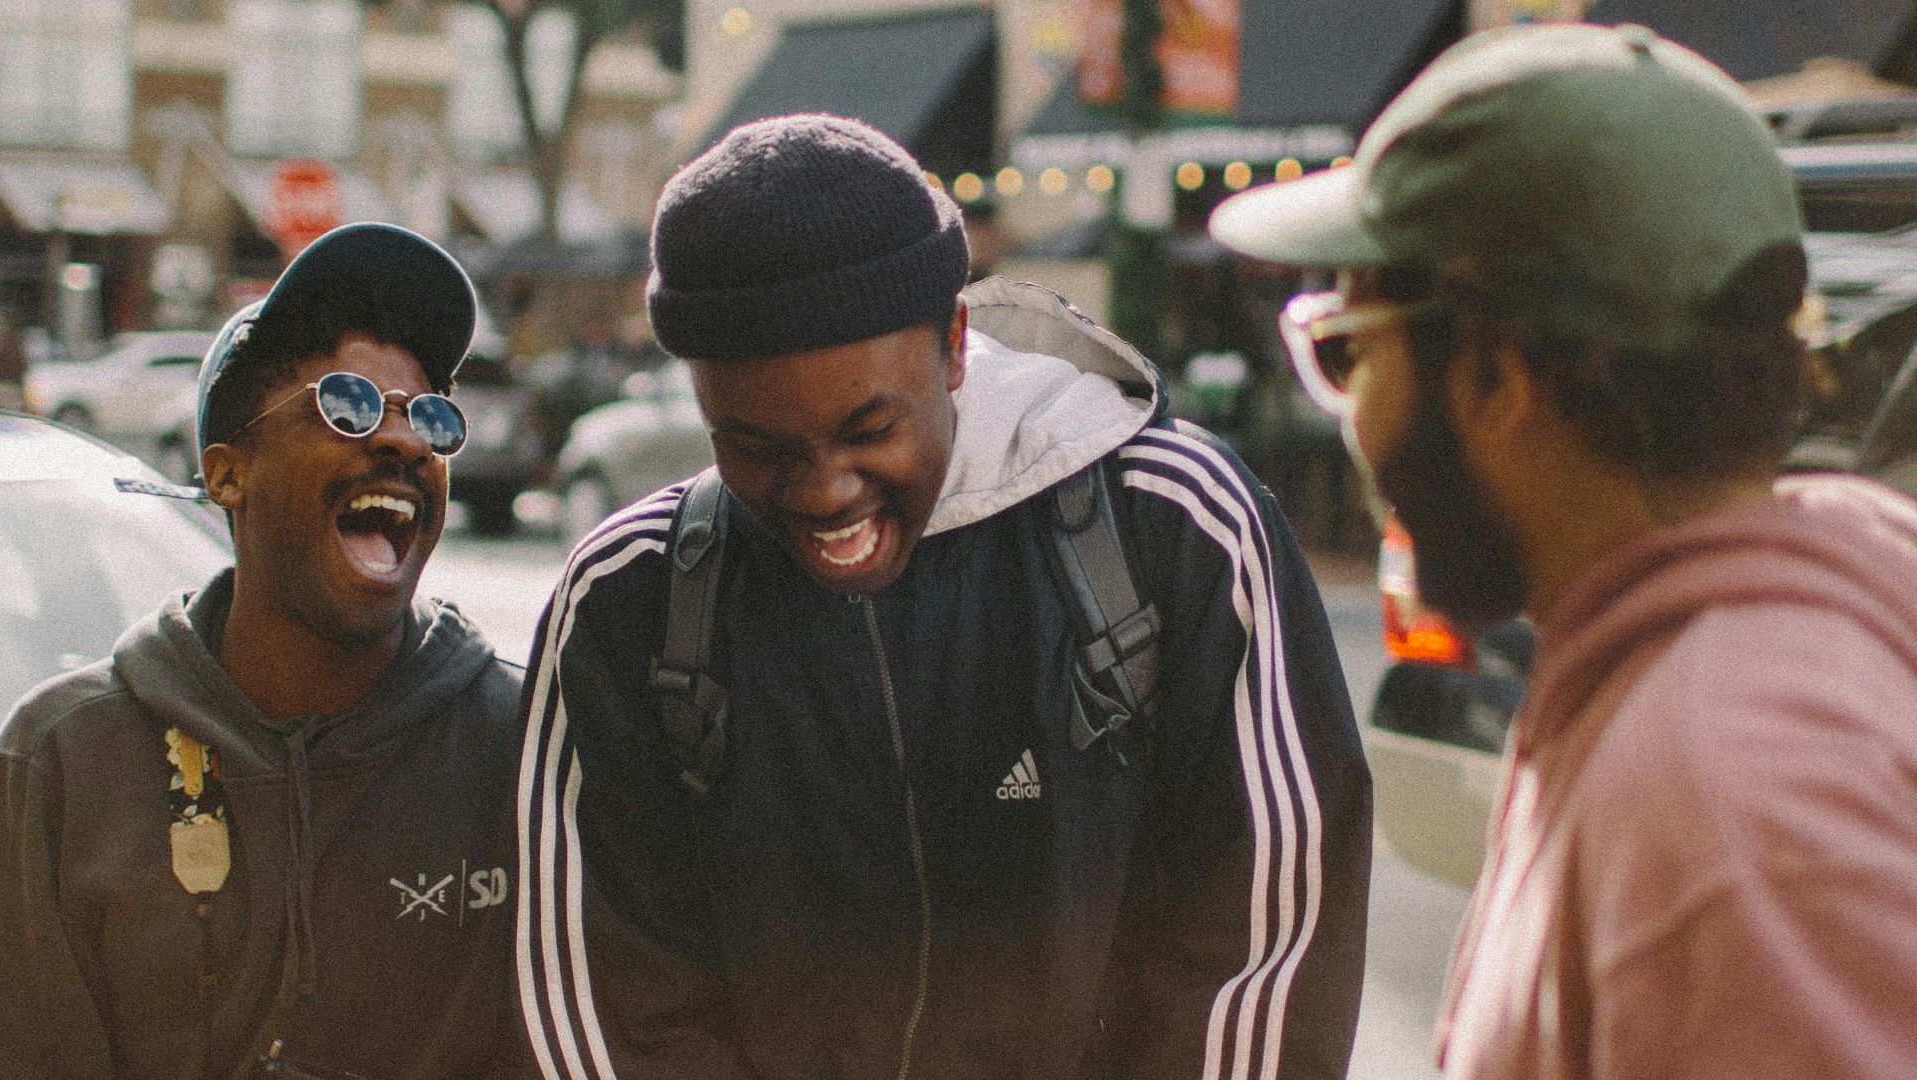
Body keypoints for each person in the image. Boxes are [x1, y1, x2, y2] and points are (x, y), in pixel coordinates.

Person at [517, 114, 1371, 1079]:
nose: (825, 489)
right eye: (756, 445)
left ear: (956, 345)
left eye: (869, 426)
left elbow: (1266, 945)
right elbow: (612, 1005)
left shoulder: (1174, 527)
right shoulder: (625, 601)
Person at [1210, 22, 1917, 1079]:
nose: (1350, 415)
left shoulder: (1726, 798)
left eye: (1351, 350)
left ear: (1500, 376)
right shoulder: (1765, 652)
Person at [0, 223, 531, 1079]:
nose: (403, 442)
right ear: (226, 474)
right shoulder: (63, 760)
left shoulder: (521, 744)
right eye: (347, 404)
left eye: (430, 416)